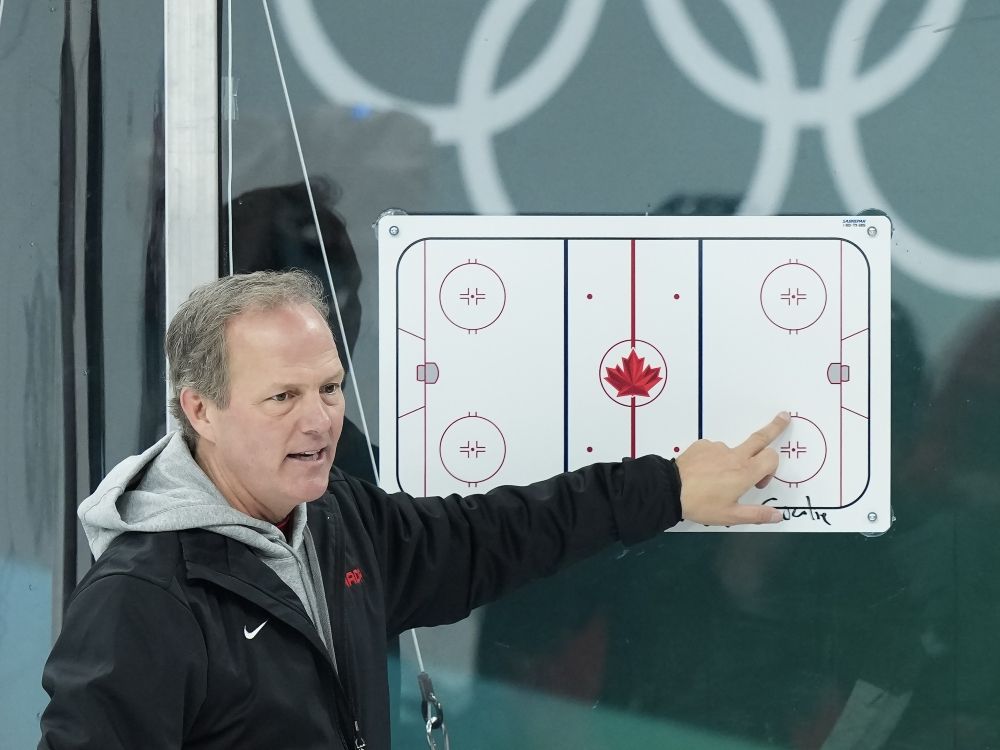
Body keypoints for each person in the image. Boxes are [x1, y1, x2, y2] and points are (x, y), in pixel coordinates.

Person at [37, 270, 788, 749]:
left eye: (329, 388)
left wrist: (664, 489)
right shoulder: (142, 600)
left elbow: (496, 535)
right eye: (283, 398)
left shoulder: (341, 522)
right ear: (200, 409)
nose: (320, 420)